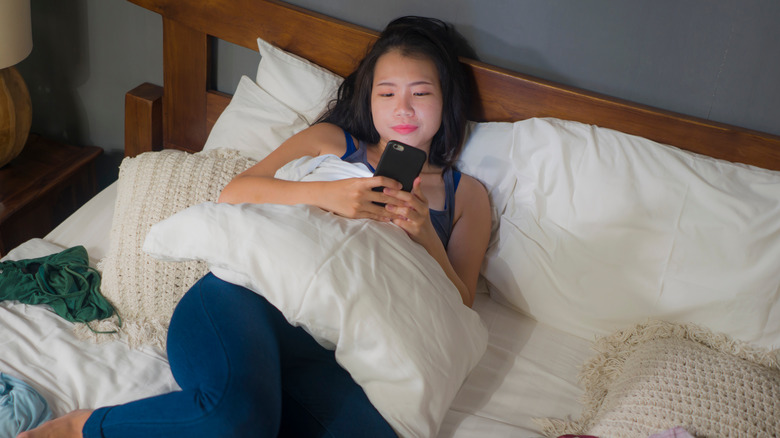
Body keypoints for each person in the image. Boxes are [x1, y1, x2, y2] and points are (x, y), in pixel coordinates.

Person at [19, 15, 491, 438]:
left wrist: (426, 234)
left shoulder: (466, 196)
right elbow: (237, 192)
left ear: (446, 100)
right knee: (235, 419)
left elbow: (462, 302)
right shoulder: (331, 143)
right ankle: (83, 427)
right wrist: (330, 195)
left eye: (421, 93)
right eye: (387, 93)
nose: (403, 109)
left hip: (337, 351)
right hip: (242, 302)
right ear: (369, 101)